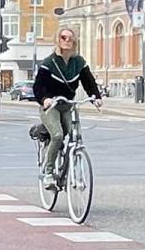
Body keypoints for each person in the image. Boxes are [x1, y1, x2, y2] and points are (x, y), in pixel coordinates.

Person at [32, 26, 102, 188]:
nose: (67, 41)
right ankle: (48, 172)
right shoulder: (49, 63)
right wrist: (45, 99)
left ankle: (73, 172)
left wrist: (96, 98)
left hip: (68, 104)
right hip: (52, 106)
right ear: (58, 40)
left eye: (70, 38)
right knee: (57, 135)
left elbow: (88, 82)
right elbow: (38, 86)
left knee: (75, 136)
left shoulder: (78, 62)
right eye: (63, 37)